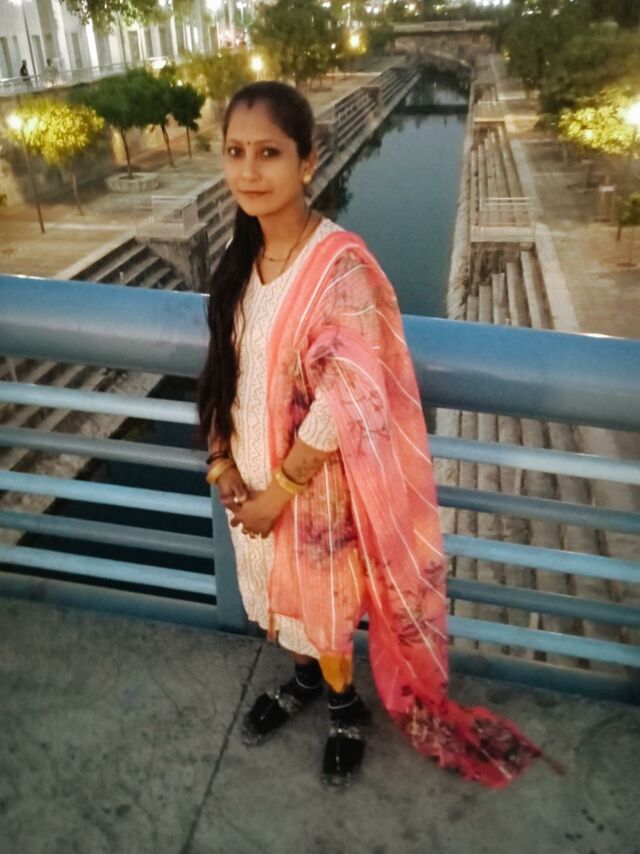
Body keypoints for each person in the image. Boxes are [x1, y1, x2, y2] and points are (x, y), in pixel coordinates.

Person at [196, 81, 556, 789]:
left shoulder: (341, 266)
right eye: (235, 152)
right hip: (249, 481)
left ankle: (344, 706)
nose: (249, 171)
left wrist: (280, 492)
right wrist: (221, 461)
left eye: (269, 153)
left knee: (324, 608)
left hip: (311, 492)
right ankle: (303, 682)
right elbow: (225, 367)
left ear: (308, 161)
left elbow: (349, 395)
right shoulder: (241, 257)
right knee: (278, 601)